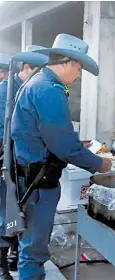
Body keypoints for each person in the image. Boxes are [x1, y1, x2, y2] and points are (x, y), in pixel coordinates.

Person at [11, 33, 112, 280]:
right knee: (34, 250)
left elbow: (50, 134)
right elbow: (63, 145)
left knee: (31, 246)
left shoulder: (38, 83)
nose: (78, 76)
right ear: (66, 61)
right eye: (78, 68)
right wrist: (100, 163)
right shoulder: (47, 89)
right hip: (37, 183)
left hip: (30, 176)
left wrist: (76, 144)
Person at [0, 46, 48, 280]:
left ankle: (14, 256)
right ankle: (1, 268)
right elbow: (5, 131)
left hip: (21, 162)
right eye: (39, 70)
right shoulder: (6, 90)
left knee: (21, 213)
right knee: (5, 213)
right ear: (26, 67)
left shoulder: (30, 88)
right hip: (6, 159)